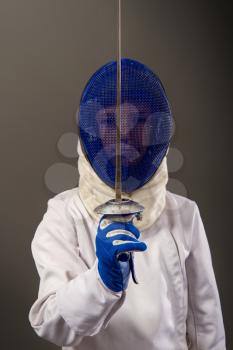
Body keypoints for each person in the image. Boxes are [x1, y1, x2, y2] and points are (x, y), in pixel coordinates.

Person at [29, 59, 226, 350]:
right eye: (110, 121)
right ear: (92, 130)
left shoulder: (183, 213)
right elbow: (51, 324)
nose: (123, 133)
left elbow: (206, 326)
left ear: (155, 130)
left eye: (138, 121)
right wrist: (102, 282)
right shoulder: (64, 214)